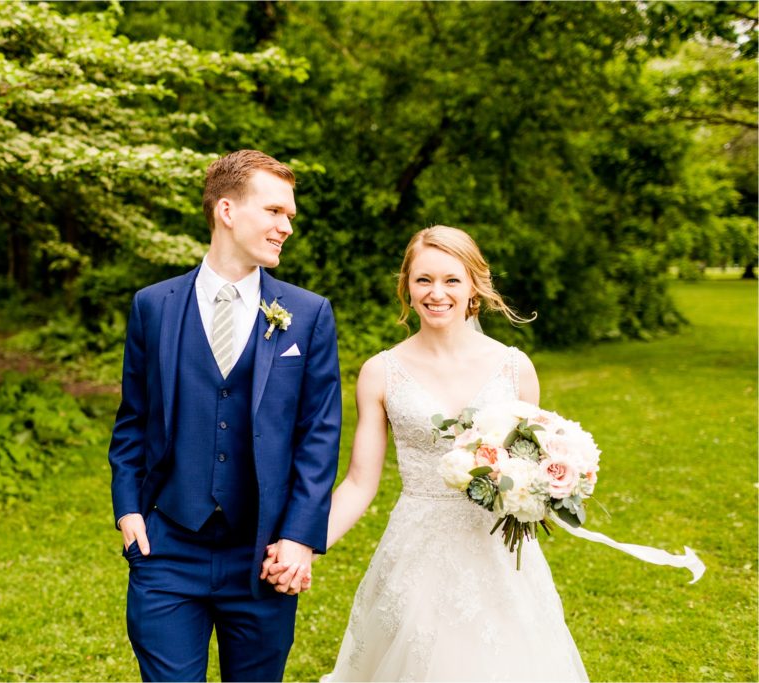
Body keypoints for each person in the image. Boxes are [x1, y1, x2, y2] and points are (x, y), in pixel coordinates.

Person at [264, 225, 587, 681]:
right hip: (417, 551)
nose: (437, 293)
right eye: (423, 280)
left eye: (452, 280)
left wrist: (547, 488)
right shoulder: (381, 373)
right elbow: (359, 483)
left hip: (499, 557)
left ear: (474, 285)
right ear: (407, 289)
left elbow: (531, 461)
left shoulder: (516, 368)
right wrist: (303, 547)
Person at [108, 149, 342, 682]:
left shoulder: (307, 315)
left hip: (263, 555)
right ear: (228, 211)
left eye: (289, 216)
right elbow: (132, 422)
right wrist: (129, 514)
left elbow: (318, 436)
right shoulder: (153, 306)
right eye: (275, 212)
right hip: (166, 547)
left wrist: (299, 537)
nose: (286, 227)